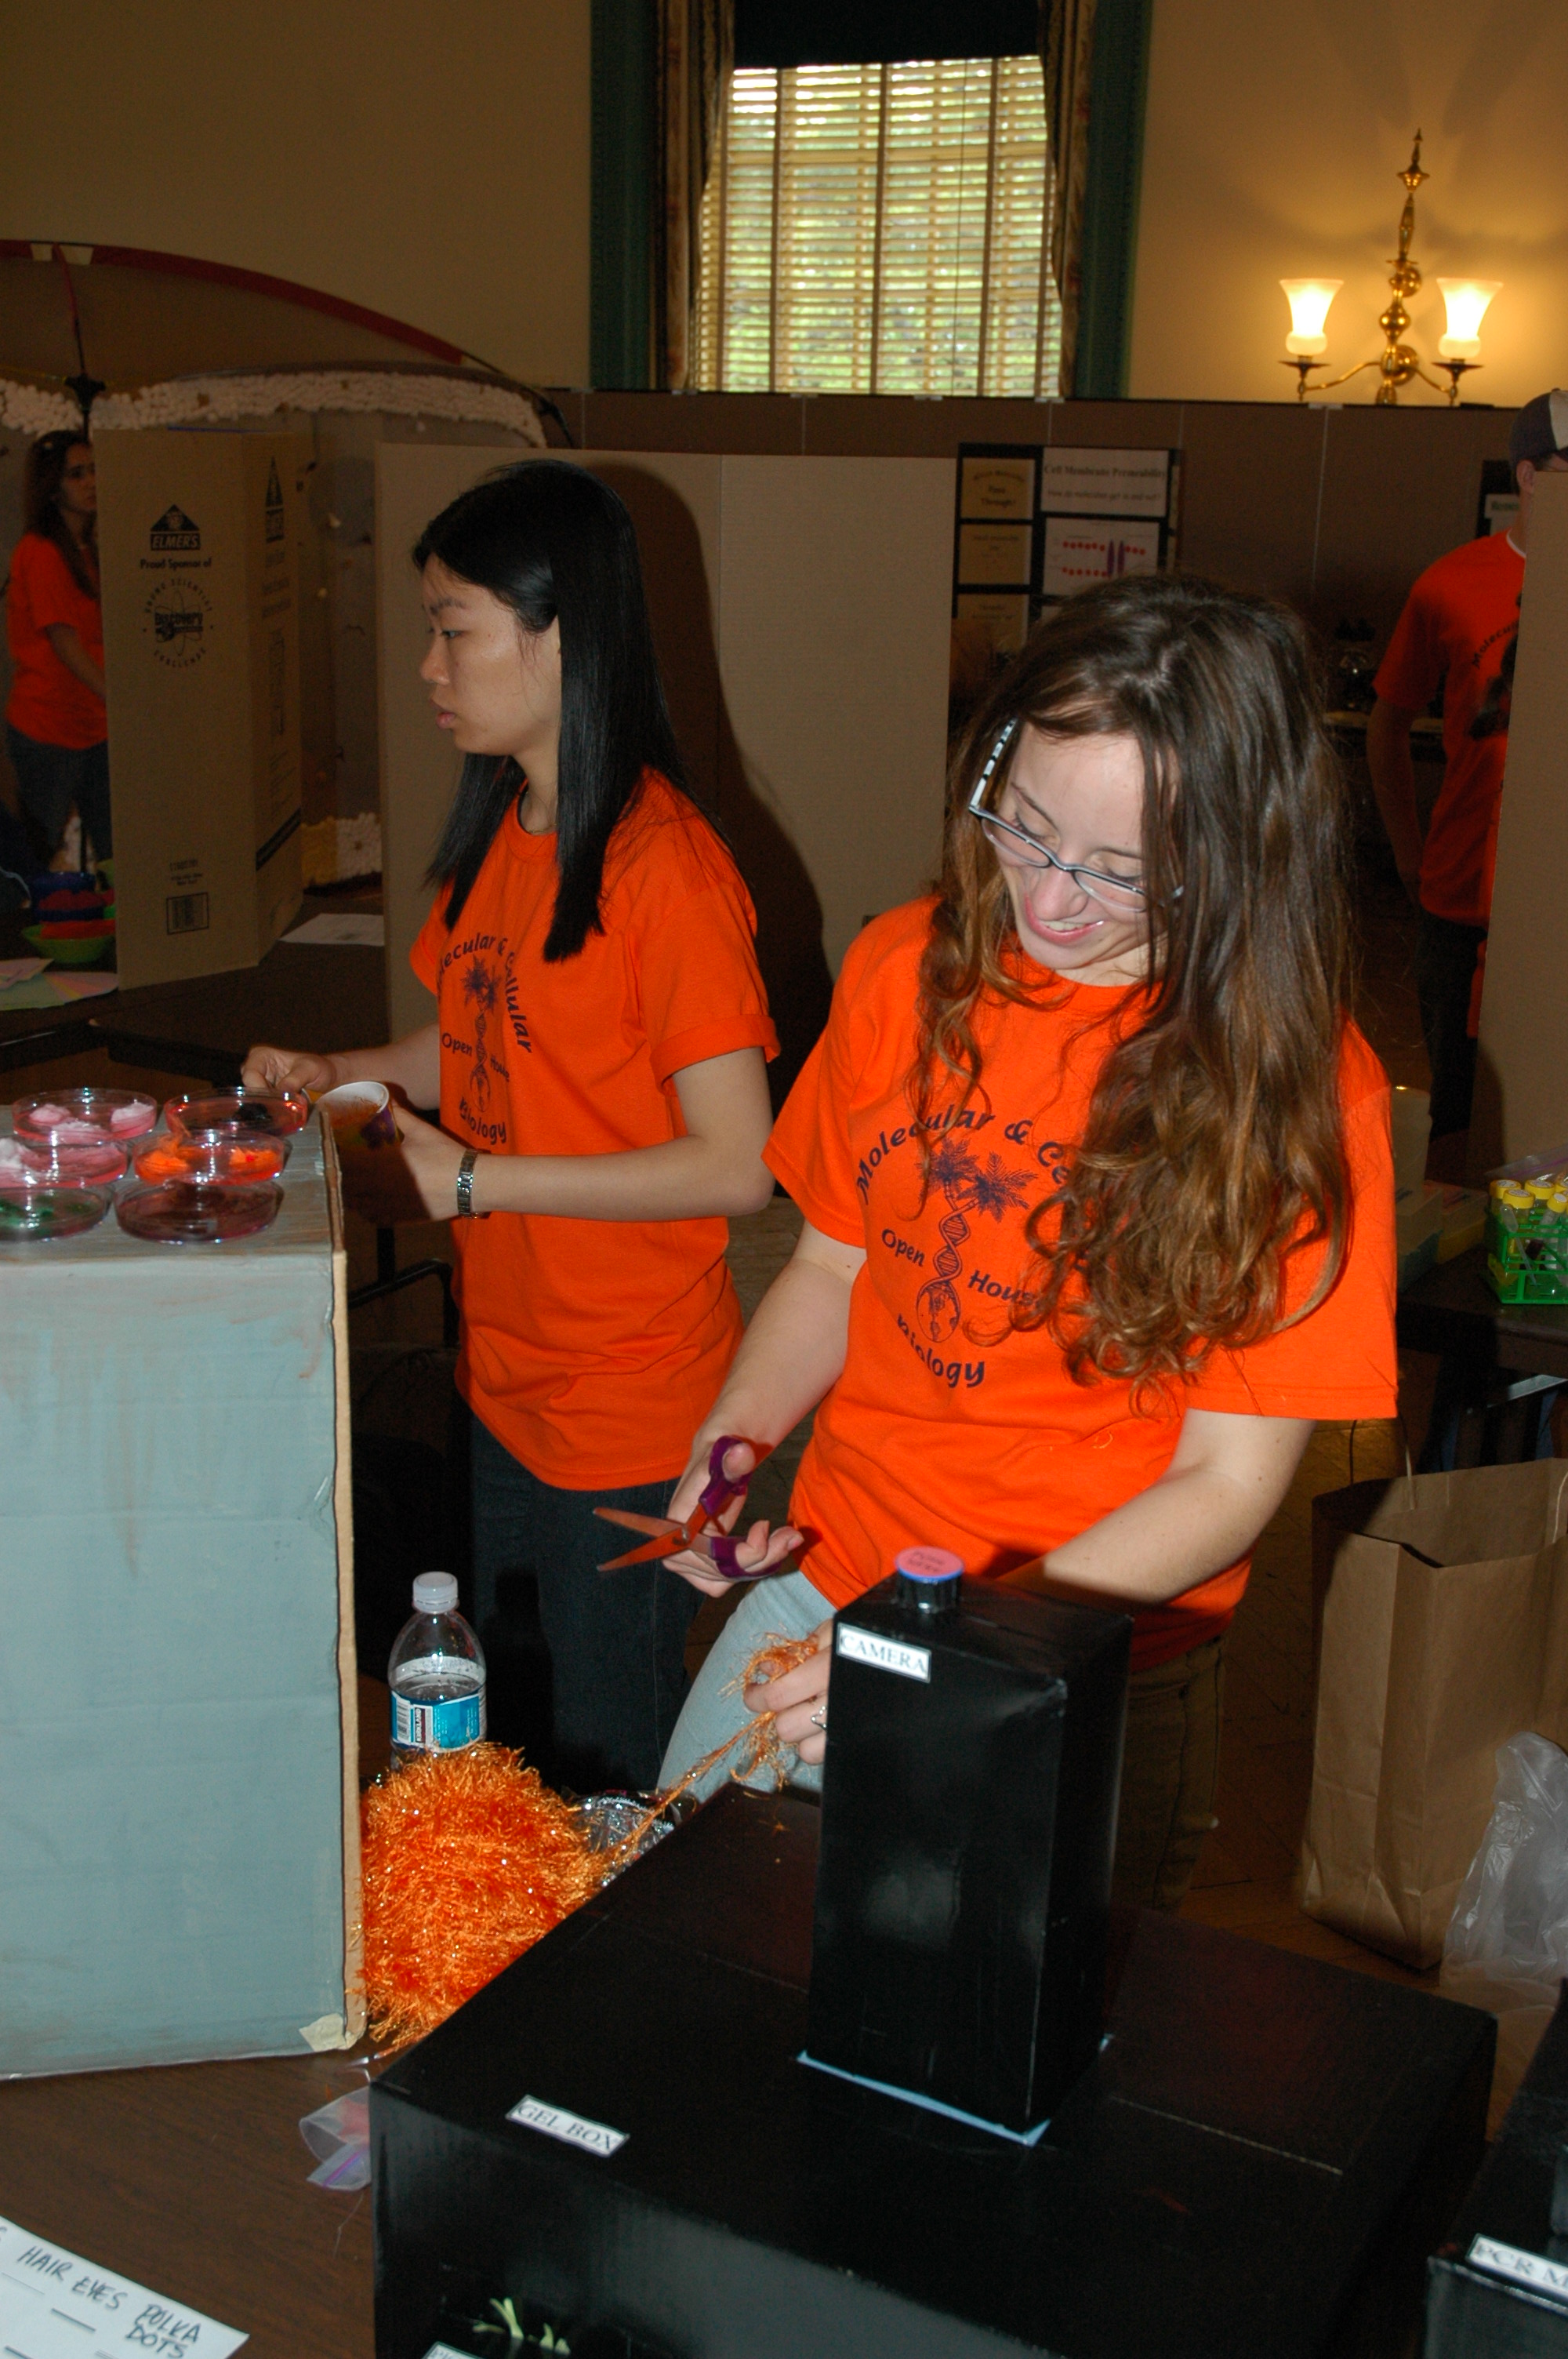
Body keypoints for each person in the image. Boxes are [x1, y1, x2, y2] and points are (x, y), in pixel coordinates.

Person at [656, 572, 1398, 1912]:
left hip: (1080, 1646)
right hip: (836, 1577)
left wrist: (958, 1647)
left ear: (1238, 855)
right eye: (1025, 826)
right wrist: (732, 1446)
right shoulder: (906, 965)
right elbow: (833, 1264)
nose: (1050, 902)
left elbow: (1228, 1480)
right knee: (679, 1925)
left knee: (969, 2022)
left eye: (1120, 871)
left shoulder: (1299, 1092)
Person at [245, 461, 777, 1793]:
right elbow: (475, 1032)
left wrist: (476, 1180)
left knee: (610, 1761)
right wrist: (342, 1069)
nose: (430, 666)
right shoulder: (505, 820)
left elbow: (739, 1161)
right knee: (513, 1730)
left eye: (455, 628)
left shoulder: (666, 869)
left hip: (630, 1406)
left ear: (564, 636)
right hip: (505, 1374)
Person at [1367, 388, 1568, 1140]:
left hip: (1556, 898)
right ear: (1530, 475)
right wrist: (1407, 850)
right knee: (1457, 1107)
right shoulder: (1451, 584)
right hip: (1462, 895)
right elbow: (1388, 721)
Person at [4, 429, 112, 867]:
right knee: (39, 855)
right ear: (52, 487)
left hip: (94, 725)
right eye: (76, 474)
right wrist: (117, 698)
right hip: (49, 728)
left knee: (116, 847)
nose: (91, 482)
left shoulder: (88, 551)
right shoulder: (42, 552)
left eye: (94, 470)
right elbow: (64, 641)